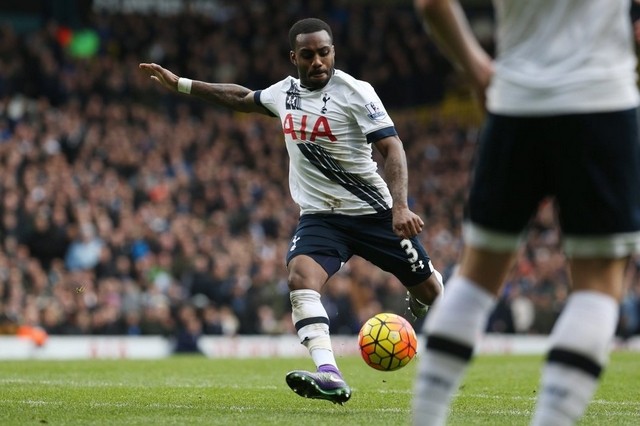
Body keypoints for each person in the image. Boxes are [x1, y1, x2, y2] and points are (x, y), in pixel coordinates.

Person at [139, 17, 444, 405]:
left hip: (374, 213)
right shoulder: (284, 94)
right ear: (294, 57)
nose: (317, 61)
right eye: (308, 54)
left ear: (333, 52)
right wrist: (181, 83)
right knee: (300, 278)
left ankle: (419, 290)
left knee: (432, 291)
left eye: (324, 52)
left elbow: (393, 147)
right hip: (321, 217)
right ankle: (329, 375)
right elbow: (238, 97)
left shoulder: (355, 92)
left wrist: (400, 206)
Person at [411, 0, 640, 425]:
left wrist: (476, 67)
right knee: (598, 285)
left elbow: (431, 4)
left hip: (516, 100)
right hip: (602, 97)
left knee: (476, 278)